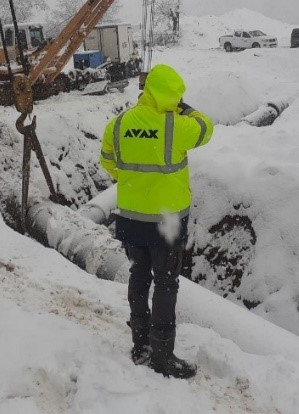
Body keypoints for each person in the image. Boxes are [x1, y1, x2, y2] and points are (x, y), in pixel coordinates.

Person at [99, 64, 213, 379]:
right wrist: (185, 108)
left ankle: (140, 346)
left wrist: (130, 181)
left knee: (139, 275)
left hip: (131, 217)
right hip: (168, 220)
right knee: (166, 283)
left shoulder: (119, 123)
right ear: (172, 97)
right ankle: (162, 357)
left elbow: (107, 159)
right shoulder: (177, 125)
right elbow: (207, 127)